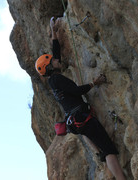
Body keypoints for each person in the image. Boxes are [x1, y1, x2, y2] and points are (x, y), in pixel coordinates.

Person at [35, 17, 126, 180]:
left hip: (76, 121)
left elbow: (56, 55)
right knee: (109, 150)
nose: (56, 59)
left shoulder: (53, 79)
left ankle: (97, 151)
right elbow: (77, 91)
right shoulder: (57, 80)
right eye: (53, 61)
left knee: (98, 144)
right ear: (49, 67)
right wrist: (94, 83)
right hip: (83, 119)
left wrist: (54, 33)